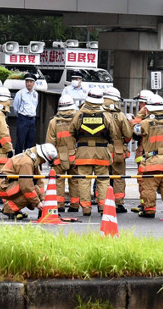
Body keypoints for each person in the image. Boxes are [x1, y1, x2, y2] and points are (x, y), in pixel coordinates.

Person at [69, 87, 118, 216]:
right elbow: (113, 133)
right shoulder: (106, 115)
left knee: (84, 180)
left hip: (83, 152)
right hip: (101, 152)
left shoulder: (79, 114)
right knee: (103, 180)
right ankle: (103, 207)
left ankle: (86, 208)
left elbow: (71, 131)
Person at [133, 94, 163, 218]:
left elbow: (134, 130)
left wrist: (140, 116)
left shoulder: (146, 123)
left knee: (149, 187)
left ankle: (149, 210)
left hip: (152, 160)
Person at [0, 143, 57, 220]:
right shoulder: (27, 162)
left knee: (35, 190)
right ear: (41, 156)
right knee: (31, 191)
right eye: (44, 160)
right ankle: (9, 209)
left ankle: (13, 208)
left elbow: (39, 182)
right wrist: (38, 203)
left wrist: (44, 200)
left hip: (10, 185)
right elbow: (26, 187)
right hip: (4, 187)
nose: (44, 162)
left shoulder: (33, 160)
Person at [45, 95, 79, 213]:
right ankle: (74, 205)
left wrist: (51, 159)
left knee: (58, 180)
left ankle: (59, 204)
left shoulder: (53, 122)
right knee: (74, 180)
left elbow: (50, 143)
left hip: (59, 156)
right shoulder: (77, 119)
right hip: (75, 155)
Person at [103, 87, 133, 213]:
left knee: (103, 177)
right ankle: (118, 204)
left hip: (101, 148)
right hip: (117, 149)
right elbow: (128, 134)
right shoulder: (120, 116)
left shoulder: (99, 113)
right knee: (118, 176)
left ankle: (103, 202)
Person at [129, 89, 155, 213]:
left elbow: (135, 130)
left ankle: (145, 205)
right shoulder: (159, 115)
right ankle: (145, 204)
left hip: (144, 150)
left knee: (143, 179)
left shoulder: (143, 114)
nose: (138, 105)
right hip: (156, 152)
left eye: (140, 102)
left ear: (144, 103)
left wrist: (132, 121)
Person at [13, 73, 38, 155]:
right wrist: (21, 116)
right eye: (27, 81)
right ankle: (17, 160)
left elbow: (35, 105)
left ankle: (28, 161)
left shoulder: (35, 94)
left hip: (32, 119)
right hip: (23, 118)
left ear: (34, 83)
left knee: (30, 142)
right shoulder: (20, 93)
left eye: (31, 82)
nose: (29, 83)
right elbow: (15, 107)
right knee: (20, 141)